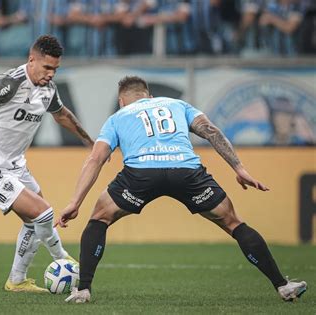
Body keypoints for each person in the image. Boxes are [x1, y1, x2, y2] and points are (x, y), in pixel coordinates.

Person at [56, 75, 308, 303]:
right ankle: (283, 286)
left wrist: (75, 202)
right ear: (150, 96)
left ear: (122, 101)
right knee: (233, 222)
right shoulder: (176, 104)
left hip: (141, 174)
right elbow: (211, 131)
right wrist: (238, 167)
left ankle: (83, 290)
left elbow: (95, 159)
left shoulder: (117, 117)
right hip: (186, 171)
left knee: (99, 218)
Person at [0, 35, 94, 293]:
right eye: (47, 67)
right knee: (43, 213)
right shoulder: (11, 83)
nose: (51, 74)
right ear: (31, 60)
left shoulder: (48, 90)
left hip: (16, 167)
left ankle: (17, 280)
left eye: (55, 69)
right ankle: (61, 257)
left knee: (35, 221)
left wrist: (89, 141)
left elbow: (62, 115)